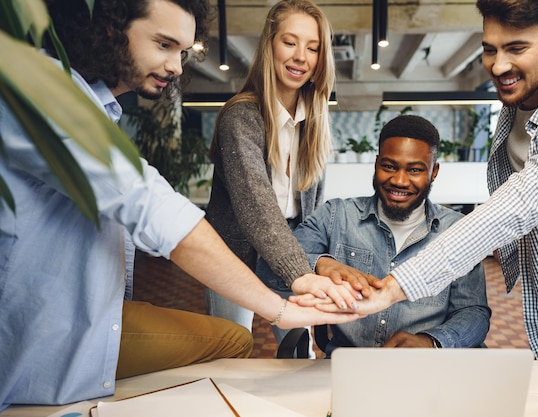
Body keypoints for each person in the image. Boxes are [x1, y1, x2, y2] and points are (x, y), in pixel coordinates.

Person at [0, 0, 363, 410]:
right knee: (234, 341)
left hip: (100, 311)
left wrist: (311, 262)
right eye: (164, 44)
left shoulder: (99, 108)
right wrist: (284, 301)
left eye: (184, 52)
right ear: (111, 29)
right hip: (44, 334)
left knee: (285, 350)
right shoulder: (45, 96)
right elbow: (169, 211)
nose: (176, 66)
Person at [295, 0, 538, 361]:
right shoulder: (520, 100)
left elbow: (515, 207)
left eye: (517, 48)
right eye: (489, 49)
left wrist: (393, 289)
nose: (498, 66)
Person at [204, 0, 351, 355]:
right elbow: (257, 206)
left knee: (302, 352)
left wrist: (315, 261)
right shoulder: (242, 116)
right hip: (232, 256)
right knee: (230, 350)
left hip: (289, 252)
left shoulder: (314, 122)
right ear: (270, 44)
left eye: (312, 47)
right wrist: (301, 274)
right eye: (290, 42)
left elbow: (310, 213)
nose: (301, 56)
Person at [291, 115, 491, 356]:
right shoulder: (335, 216)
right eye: (389, 166)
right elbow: (271, 268)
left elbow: (474, 313)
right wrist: (321, 263)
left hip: (423, 367)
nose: (399, 180)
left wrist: (432, 342)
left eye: (415, 170)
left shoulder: (458, 231)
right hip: (351, 364)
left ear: (434, 171)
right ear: (376, 164)